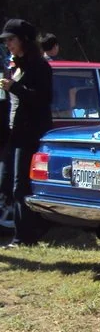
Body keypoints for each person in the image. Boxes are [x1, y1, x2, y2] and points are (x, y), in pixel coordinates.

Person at [0, 18, 53, 246]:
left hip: (30, 133)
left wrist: (16, 88)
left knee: (20, 185)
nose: (8, 44)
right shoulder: (15, 66)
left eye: (11, 39)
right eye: (6, 41)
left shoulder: (40, 67)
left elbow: (42, 99)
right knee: (5, 182)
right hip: (14, 133)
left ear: (24, 40)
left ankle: (24, 237)